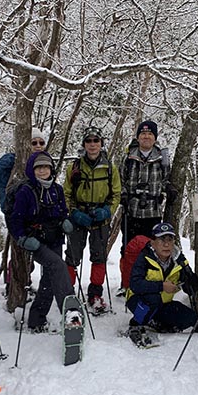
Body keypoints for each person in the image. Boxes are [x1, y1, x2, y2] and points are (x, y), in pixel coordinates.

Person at [7, 151, 74, 332]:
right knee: (58, 266)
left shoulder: (57, 189)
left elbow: (62, 212)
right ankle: (71, 312)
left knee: (49, 279)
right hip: (36, 241)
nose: (43, 170)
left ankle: (37, 319)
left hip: (55, 238)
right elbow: (15, 220)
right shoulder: (26, 192)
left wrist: (65, 221)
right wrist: (22, 239)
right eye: (39, 167)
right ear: (32, 170)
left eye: (46, 167)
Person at [64, 126, 122, 314]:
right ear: (84, 144)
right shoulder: (74, 167)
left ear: (101, 144)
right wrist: (73, 212)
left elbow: (116, 194)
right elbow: (66, 193)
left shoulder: (110, 168)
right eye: (88, 141)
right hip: (78, 216)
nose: (92, 144)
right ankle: (68, 292)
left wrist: (107, 211)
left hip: (100, 218)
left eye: (96, 141)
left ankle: (95, 294)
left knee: (99, 256)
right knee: (72, 256)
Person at [125, 222, 198, 347]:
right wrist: (162, 286)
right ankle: (135, 324)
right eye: (161, 240)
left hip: (163, 304)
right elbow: (135, 284)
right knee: (152, 299)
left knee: (190, 318)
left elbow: (189, 286)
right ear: (153, 242)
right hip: (139, 300)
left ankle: (156, 321)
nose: (166, 244)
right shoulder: (144, 257)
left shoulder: (179, 260)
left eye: (170, 240)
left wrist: (190, 282)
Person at [119, 120, 173, 291]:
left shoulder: (161, 159)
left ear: (155, 137)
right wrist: (124, 195)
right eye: (143, 134)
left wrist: (168, 190)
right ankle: (126, 284)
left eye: (150, 134)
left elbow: (166, 180)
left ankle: (148, 283)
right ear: (138, 137)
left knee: (152, 249)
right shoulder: (128, 157)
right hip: (132, 211)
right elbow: (120, 180)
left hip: (153, 212)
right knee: (128, 248)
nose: (146, 137)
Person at [0, 127, 47, 209]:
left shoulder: (46, 165)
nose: (38, 146)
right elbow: (1, 184)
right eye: (34, 143)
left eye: (41, 143)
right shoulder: (10, 162)